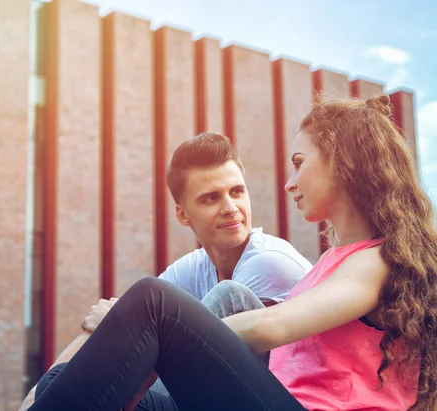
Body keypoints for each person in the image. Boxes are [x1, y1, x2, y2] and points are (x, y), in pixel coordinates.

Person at [28, 95, 437, 410]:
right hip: (271, 398)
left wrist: (151, 336)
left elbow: (272, 327)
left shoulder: (377, 260)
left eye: (299, 163)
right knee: (59, 382)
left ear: (342, 163)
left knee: (154, 303)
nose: (289, 183)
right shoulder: (335, 263)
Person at [18, 132, 312, 410]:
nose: (230, 207)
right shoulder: (191, 268)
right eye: (211, 198)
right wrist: (29, 401)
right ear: (183, 214)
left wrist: (125, 334)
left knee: (220, 296)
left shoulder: (268, 262)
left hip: (274, 401)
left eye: (237, 192)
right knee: (55, 382)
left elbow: (220, 363)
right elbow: (123, 325)